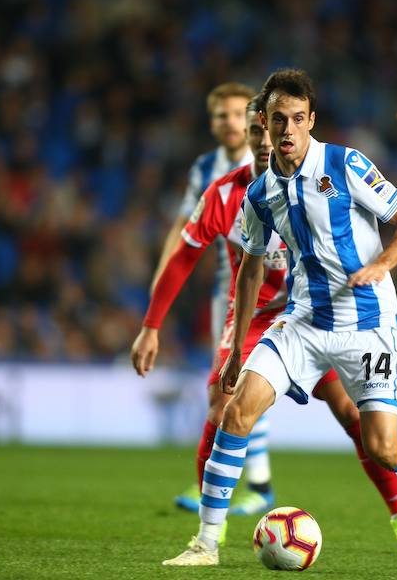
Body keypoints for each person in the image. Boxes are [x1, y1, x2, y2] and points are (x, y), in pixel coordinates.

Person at [162, 68, 397, 567]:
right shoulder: (260, 194)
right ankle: (205, 545)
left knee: (383, 447)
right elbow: (250, 270)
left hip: (368, 324)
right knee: (236, 412)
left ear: (311, 121)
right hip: (303, 321)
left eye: (297, 119)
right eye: (277, 119)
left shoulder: (346, 165)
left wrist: (380, 265)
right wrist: (236, 350)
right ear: (262, 123)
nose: (287, 130)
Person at [150, 82, 273, 515]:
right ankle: (247, 484)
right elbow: (184, 229)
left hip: (277, 291)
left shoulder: (268, 158)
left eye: (240, 114)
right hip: (229, 287)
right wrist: (161, 281)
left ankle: (255, 481)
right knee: (227, 387)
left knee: (245, 385)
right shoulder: (206, 169)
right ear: (212, 121)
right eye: (222, 115)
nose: (232, 123)